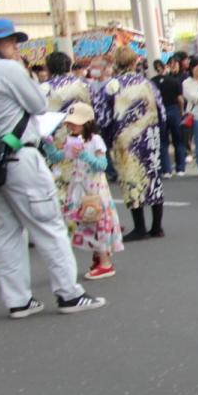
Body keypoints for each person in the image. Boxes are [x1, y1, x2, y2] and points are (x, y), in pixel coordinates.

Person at [0, 20, 105, 317]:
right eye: (9, 41)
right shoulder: (8, 70)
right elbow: (38, 104)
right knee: (48, 225)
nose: (14, 46)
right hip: (21, 156)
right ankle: (69, 294)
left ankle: (18, 300)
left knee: (6, 232)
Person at [97, 47, 165, 241]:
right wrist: (159, 132)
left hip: (125, 140)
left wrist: (108, 138)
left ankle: (140, 227)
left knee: (131, 179)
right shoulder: (148, 83)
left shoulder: (112, 86)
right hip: (150, 136)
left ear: (116, 63)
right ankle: (157, 227)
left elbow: (103, 117)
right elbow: (161, 111)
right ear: (134, 62)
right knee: (153, 178)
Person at [57, 102, 123, 280]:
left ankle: (105, 263)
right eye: (70, 122)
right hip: (79, 186)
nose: (71, 126)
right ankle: (99, 258)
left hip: (94, 188)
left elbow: (102, 165)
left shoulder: (95, 140)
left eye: (75, 122)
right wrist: (49, 145)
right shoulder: (73, 139)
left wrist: (84, 155)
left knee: (97, 222)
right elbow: (59, 157)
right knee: (84, 222)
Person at [41, 50, 94, 204]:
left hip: (55, 140)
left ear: (49, 68)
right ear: (69, 66)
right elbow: (94, 111)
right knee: (84, 180)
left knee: (60, 183)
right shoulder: (83, 84)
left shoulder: (44, 88)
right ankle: (85, 211)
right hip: (81, 136)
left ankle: (65, 212)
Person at [153, 57, 187, 178]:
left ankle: (166, 170)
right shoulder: (174, 81)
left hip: (160, 112)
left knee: (163, 142)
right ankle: (180, 168)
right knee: (178, 140)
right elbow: (180, 99)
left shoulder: (152, 82)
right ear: (165, 67)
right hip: (174, 110)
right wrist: (181, 111)